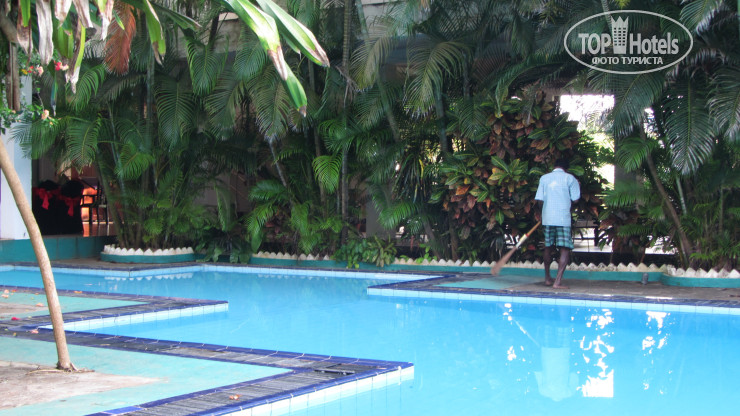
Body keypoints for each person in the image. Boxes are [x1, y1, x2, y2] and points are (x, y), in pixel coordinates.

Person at [535, 159, 580, 289]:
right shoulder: (570, 178)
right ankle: (557, 282)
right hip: (562, 219)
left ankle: (547, 278)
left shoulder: (544, 178)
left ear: (554, 166)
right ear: (566, 168)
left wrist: (543, 215)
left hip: (548, 218)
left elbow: (540, 200)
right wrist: (578, 186)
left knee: (548, 247)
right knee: (564, 249)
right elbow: (575, 199)